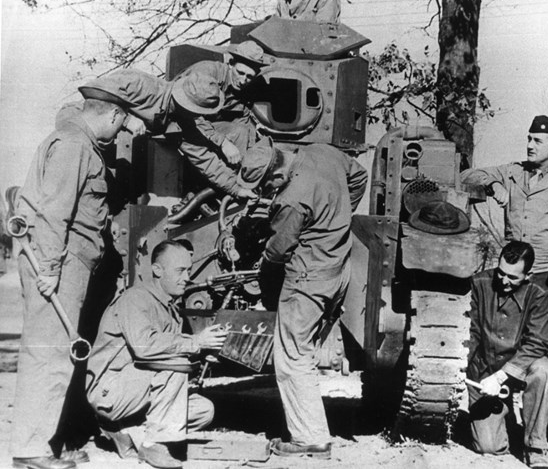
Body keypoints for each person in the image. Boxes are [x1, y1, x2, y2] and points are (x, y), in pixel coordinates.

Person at [11, 93, 131, 469]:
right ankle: (31, 450)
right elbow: (54, 213)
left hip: (65, 262)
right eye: (122, 122)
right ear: (113, 114)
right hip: (60, 263)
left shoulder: (74, 142)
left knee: (56, 354)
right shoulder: (75, 145)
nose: (120, 131)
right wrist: (48, 269)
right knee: (47, 355)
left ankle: (46, 442)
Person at [237, 137, 367, 459]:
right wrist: (336, 218)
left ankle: (310, 438)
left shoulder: (291, 199)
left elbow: (279, 250)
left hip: (308, 281)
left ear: (276, 175)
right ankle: (311, 430)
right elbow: (360, 176)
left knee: (292, 357)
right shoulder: (324, 152)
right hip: (338, 270)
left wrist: (261, 262)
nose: (268, 194)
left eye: (266, 188)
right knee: (304, 354)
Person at [86, 240, 227, 469]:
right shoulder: (136, 298)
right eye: (180, 270)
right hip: (110, 391)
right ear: (157, 270)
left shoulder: (169, 307)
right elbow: (144, 346)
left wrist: (203, 353)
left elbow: (166, 348)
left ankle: (126, 432)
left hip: (135, 386)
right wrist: (195, 342)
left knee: (203, 411)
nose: (187, 277)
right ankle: (154, 445)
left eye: (189, 270)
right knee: (176, 366)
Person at [78, 41, 269, 200]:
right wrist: (126, 119)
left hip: (107, 146)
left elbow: (206, 161)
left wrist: (237, 189)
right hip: (79, 126)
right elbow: (92, 91)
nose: (243, 79)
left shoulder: (181, 124)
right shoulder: (142, 85)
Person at [467, 241, 548, 469]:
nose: (504, 281)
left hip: (520, 367)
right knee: (489, 447)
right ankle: (506, 419)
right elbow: (471, 332)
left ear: (528, 275)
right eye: (501, 273)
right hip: (485, 369)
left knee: (545, 371)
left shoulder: (538, 294)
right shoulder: (478, 284)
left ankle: (535, 445)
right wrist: (468, 372)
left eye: (513, 278)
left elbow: (540, 342)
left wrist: (502, 376)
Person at [461, 115, 548, 286]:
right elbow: (466, 175)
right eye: (529, 139)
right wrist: (494, 183)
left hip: (546, 272)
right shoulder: (514, 172)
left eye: (537, 141)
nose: (529, 146)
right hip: (510, 271)